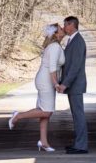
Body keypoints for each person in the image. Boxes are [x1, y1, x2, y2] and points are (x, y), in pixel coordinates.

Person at [8, 23, 66, 152]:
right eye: (61, 29)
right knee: (47, 111)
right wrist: (56, 83)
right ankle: (18, 116)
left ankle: (43, 142)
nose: (63, 29)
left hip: (44, 79)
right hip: (47, 81)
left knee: (44, 112)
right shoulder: (55, 47)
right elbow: (52, 68)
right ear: (56, 34)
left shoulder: (54, 46)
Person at [56, 15, 88, 154]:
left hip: (75, 85)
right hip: (73, 85)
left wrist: (65, 84)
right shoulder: (72, 40)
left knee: (78, 115)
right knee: (76, 115)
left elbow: (75, 66)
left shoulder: (78, 41)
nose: (63, 28)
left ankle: (81, 146)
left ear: (72, 25)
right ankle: (78, 143)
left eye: (65, 25)